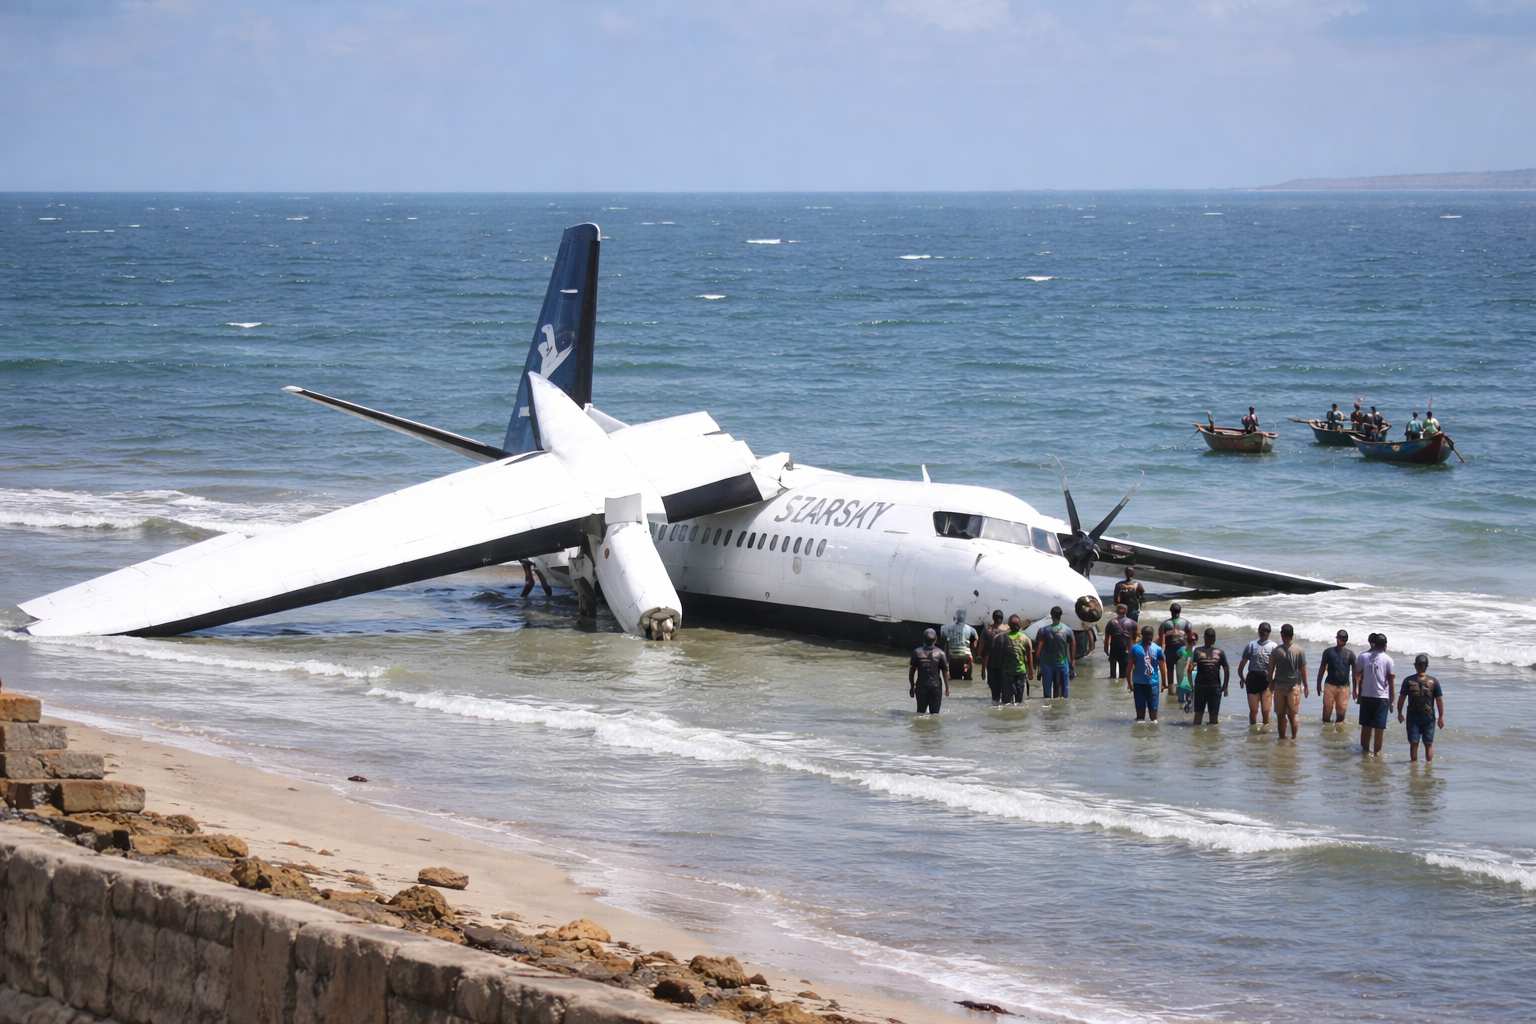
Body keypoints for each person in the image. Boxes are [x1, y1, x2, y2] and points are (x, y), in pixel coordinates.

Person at [1396, 654, 1445, 763]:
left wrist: (1399, 713)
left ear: (1415, 665)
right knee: (1428, 744)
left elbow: (1401, 698)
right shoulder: (1434, 681)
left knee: (1414, 743)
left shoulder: (1408, 680)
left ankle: (1414, 766)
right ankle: (1428, 766)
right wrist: (1441, 717)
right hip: (1428, 716)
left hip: (1414, 717)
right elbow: (1439, 700)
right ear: (1427, 666)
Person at [1354, 632, 1395, 756]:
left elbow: (1357, 674)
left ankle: (1365, 753)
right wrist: (1392, 701)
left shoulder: (1363, 656)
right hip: (1382, 698)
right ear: (1385, 645)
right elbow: (1391, 681)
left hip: (1366, 696)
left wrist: (1356, 690)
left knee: (1366, 727)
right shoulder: (1388, 660)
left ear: (1374, 644)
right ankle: (1377, 754)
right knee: (1379, 729)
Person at [1266, 624, 1308, 741]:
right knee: (1293, 715)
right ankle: (1294, 739)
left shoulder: (1276, 651)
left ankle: (1282, 738)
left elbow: (1270, 670)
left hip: (1279, 687)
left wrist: (1270, 684)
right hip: (1294, 687)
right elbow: (1303, 670)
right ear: (1292, 635)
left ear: (1282, 635)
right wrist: (1306, 686)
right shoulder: (1299, 650)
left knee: (1280, 715)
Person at [1237, 622, 1277, 727]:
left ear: (1269, 632)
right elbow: (1241, 666)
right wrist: (1242, 679)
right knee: (1253, 710)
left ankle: (1265, 731)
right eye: (1262, 630)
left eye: (1266, 631)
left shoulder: (1273, 646)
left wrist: (1275, 681)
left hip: (1267, 681)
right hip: (1252, 680)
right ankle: (1252, 730)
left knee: (1265, 711)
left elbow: (1278, 666)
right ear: (1258, 631)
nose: (1264, 633)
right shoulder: (1251, 645)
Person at [1190, 628, 1230, 725]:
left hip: (1205, 687)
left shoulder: (1197, 651)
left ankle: (1198, 732)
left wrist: (1191, 686)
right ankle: (1212, 733)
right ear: (1214, 639)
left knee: (1200, 716)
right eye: (1211, 637)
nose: (1211, 639)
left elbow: (1189, 669)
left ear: (1204, 637)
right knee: (1211, 717)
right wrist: (1225, 686)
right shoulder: (1219, 652)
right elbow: (1226, 670)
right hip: (1210, 687)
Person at [1034, 606, 1075, 699]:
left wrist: (1038, 668)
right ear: (1061, 616)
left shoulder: (1043, 631)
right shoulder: (1068, 630)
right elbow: (1073, 644)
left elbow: (1038, 652)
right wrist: (1072, 662)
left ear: (1051, 615)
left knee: (1047, 694)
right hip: (1062, 664)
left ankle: (1048, 707)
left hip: (1047, 665)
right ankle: (1060, 708)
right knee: (1063, 695)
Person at [1126, 625, 1166, 723]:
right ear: (1142, 635)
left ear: (1152, 635)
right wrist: (1129, 683)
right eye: (1147, 635)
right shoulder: (1136, 649)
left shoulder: (1156, 649)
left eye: (1150, 635)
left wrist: (1164, 683)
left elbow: (1163, 667)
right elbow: (1129, 668)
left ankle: (1145, 730)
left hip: (1151, 684)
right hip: (1141, 684)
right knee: (1144, 717)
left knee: (1152, 716)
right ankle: (1148, 730)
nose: (1149, 637)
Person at [1316, 630, 1356, 725]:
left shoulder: (1350, 654)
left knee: (1341, 714)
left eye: (1342, 638)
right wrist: (1318, 684)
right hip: (1329, 685)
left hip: (1344, 687)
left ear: (1346, 640)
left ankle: (1339, 731)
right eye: (1338, 637)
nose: (1340, 640)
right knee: (1327, 712)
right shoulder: (1328, 652)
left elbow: (1355, 674)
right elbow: (1322, 668)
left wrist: (1355, 689)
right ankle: (1326, 731)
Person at [908, 628, 951, 715]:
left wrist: (912, 687)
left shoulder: (916, 652)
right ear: (936, 640)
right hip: (936, 688)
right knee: (935, 715)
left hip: (921, 687)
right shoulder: (941, 653)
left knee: (920, 713)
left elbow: (911, 672)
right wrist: (947, 688)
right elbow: (945, 672)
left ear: (923, 639)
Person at [940, 610, 978, 681]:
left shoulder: (946, 628)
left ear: (955, 618)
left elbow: (943, 640)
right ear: (965, 618)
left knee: (954, 680)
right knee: (967, 680)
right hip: (966, 657)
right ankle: (967, 672)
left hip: (953, 656)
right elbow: (975, 643)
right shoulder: (971, 629)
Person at [1003, 615, 1033, 704]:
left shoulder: (1003, 638)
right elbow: (1029, 656)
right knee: (1017, 700)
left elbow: (1000, 656)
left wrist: (1031, 671)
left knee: (1009, 700)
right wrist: (1031, 671)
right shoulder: (1025, 638)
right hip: (1016, 672)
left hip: (1012, 672)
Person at [980, 610, 1008, 701]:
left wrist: (983, 670)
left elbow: (982, 650)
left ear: (993, 618)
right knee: (1005, 690)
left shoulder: (987, 631)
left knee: (995, 692)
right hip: (1006, 665)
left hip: (991, 665)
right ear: (1002, 618)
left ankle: (996, 704)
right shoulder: (1008, 629)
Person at [1104, 603, 1137, 679]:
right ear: (1127, 611)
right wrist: (1132, 651)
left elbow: (1107, 639)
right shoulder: (1132, 623)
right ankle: (1121, 686)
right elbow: (1134, 639)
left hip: (1113, 650)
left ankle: (1113, 685)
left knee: (1112, 676)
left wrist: (1106, 649)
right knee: (1123, 676)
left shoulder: (1110, 623)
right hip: (1126, 650)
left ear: (1116, 611)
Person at [1158, 603, 1191, 676]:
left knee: (1170, 674)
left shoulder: (1164, 624)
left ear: (1170, 611)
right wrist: (1189, 655)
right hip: (1182, 650)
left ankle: (1170, 684)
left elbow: (1162, 643)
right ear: (1180, 611)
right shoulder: (1187, 623)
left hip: (1169, 651)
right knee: (1181, 675)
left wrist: (1161, 654)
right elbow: (1190, 642)